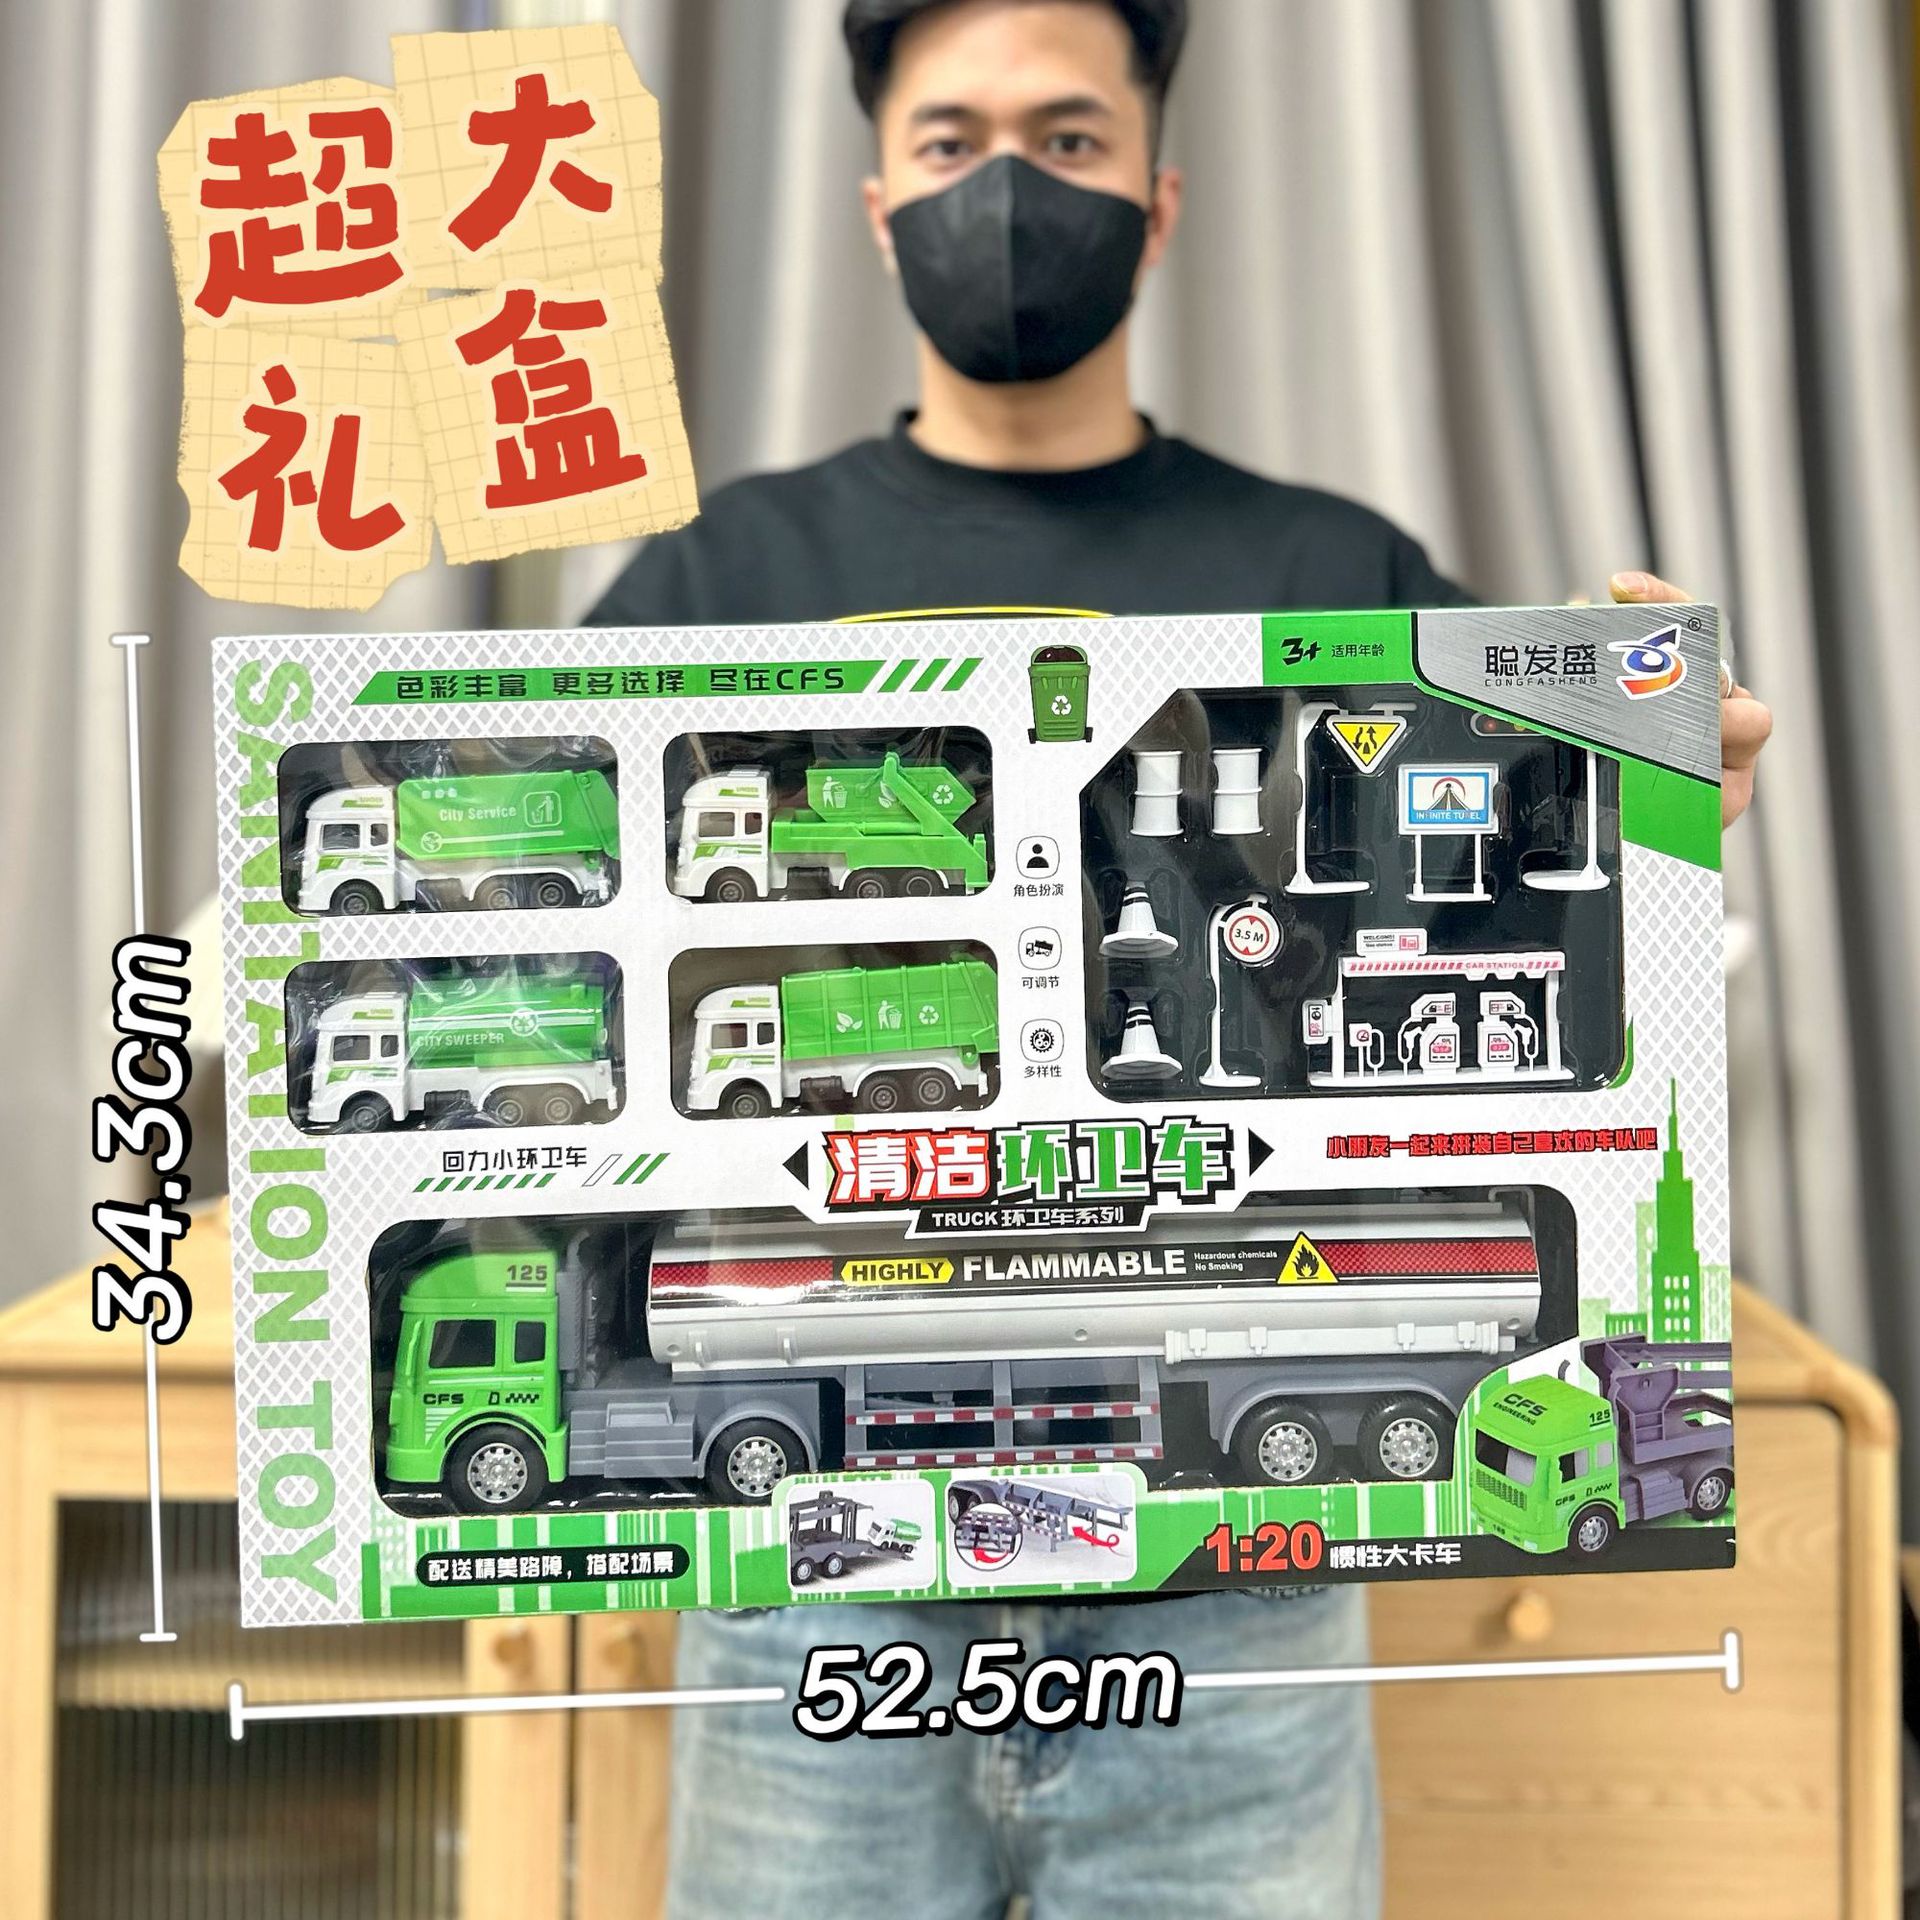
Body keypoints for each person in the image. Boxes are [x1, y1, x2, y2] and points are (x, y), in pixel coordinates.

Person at [588, 4, 1772, 1914]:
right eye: (954, 140)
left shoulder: (1336, 576)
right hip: (817, 1577)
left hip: (1241, 1586)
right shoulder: (712, 582)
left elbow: (1519, 964)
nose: (1005, 192)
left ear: (1157, 195)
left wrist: (1666, 792)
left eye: (1068, 141)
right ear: (879, 200)